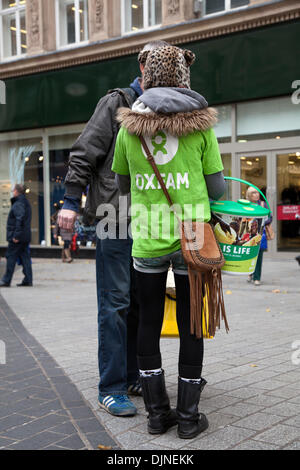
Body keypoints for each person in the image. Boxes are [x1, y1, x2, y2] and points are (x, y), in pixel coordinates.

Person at [112, 45, 225, 438]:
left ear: (148, 77)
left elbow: (123, 186)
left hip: (147, 234)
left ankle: (157, 415)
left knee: (148, 320)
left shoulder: (128, 127)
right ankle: (190, 419)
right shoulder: (201, 125)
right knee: (191, 322)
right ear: (182, 78)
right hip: (192, 231)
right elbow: (217, 186)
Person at [58, 40, 170, 417]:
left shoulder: (165, 109)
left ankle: (135, 373)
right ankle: (111, 386)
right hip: (112, 219)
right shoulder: (116, 102)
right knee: (115, 303)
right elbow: (84, 151)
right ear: (143, 71)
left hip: (148, 222)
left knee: (140, 301)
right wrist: (71, 203)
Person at [0, 184, 33, 288]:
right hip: (24, 236)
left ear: (16, 191)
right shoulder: (25, 202)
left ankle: (6, 280)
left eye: (13, 190)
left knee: (10, 256)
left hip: (17, 237)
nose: (12, 191)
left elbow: (20, 219)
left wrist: (16, 235)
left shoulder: (19, 203)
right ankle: (28, 280)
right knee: (25, 258)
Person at [246, 186, 272, 285]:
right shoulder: (246, 205)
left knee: (259, 255)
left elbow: (270, 217)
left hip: (261, 233)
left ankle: (257, 278)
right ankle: (251, 273)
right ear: (249, 195)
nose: (256, 195)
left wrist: (262, 221)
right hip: (249, 233)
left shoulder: (262, 204)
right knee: (250, 255)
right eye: (253, 193)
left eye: (257, 193)